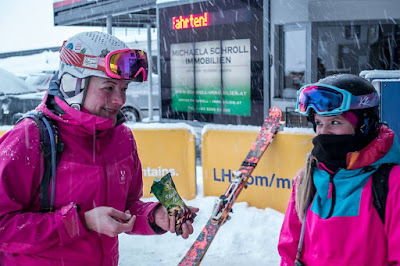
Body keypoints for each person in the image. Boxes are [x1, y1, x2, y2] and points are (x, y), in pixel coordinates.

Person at [0, 31, 198, 265]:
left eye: (123, 88)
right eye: (108, 88)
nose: (120, 100)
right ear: (73, 84)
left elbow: (126, 207)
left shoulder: (121, 137)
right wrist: (81, 222)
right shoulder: (29, 137)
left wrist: (154, 216)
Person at [278, 74, 400, 265]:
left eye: (335, 122)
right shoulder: (307, 180)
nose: (324, 132)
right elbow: (289, 250)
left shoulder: (392, 182)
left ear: (364, 126)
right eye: (319, 123)